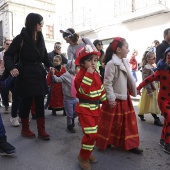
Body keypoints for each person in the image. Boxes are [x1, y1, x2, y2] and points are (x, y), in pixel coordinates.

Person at [4, 13, 53, 140]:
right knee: (26, 102)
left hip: (38, 73)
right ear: (32, 23)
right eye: (39, 23)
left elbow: (44, 56)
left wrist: (51, 66)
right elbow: (8, 55)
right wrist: (12, 68)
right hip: (25, 73)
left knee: (39, 103)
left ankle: (41, 130)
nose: (41, 25)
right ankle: (25, 129)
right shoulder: (20, 38)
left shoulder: (41, 38)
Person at [96, 37, 143, 154]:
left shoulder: (125, 62)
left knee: (128, 123)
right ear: (118, 50)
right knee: (112, 123)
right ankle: (107, 141)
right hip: (115, 99)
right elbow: (107, 83)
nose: (128, 50)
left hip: (124, 97)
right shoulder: (111, 64)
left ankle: (131, 144)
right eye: (126, 47)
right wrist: (111, 98)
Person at [74, 45, 107, 170]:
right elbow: (83, 90)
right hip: (85, 109)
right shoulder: (80, 75)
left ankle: (87, 154)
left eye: (95, 60)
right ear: (82, 63)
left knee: (94, 134)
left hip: (95, 109)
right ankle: (83, 157)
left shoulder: (96, 73)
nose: (93, 63)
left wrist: (106, 101)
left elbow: (100, 88)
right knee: (91, 135)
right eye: (89, 60)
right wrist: (88, 74)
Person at [137, 46, 170, 154]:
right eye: (169, 57)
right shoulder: (161, 72)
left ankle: (162, 140)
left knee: (167, 121)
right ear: (165, 58)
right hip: (163, 100)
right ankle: (168, 144)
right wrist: (138, 87)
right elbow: (148, 79)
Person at [51, 60, 79, 133]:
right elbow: (57, 80)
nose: (78, 69)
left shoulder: (76, 75)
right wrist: (53, 74)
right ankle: (69, 126)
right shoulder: (66, 75)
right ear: (72, 67)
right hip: (68, 99)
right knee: (69, 114)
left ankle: (71, 120)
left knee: (77, 112)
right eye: (77, 67)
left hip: (76, 98)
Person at [137, 51, 163, 126]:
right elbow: (146, 80)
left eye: (155, 58)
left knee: (146, 103)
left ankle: (141, 114)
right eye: (153, 58)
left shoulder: (154, 66)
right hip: (150, 89)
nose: (155, 59)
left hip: (155, 87)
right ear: (148, 59)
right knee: (152, 104)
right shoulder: (146, 68)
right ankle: (156, 119)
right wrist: (149, 91)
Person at [0, 39, 12, 113]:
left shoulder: (13, 53)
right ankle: (6, 106)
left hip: (11, 74)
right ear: (4, 44)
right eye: (7, 44)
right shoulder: (1, 54)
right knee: (4, 91)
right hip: (2, 74)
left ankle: (16, 108)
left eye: (10, 44)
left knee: (14, 91)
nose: (8, 45)